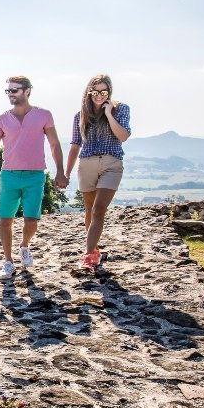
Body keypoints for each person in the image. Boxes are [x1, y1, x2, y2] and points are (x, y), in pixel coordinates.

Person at [0, 75, 68, 279]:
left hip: (35, 175)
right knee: (5, 220)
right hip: (9, 176)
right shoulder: (1, 120)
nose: (10, 94)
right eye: (8, 91)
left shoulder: (44, 115)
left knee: (31, 221)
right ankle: (8, 261)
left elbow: (54, 144)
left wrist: (60, 171)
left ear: (27, 91)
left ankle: (24, 246)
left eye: (15, 90)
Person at [65, 74, 131, 271]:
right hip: (87, 163)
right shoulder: (80, 116)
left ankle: (87, 254)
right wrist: (65, 173)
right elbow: (75, 145)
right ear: (89, 92)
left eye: (104, 91)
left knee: (98, 209)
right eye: (96, 91)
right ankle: (93, 250)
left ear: (109, 92)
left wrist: (109, 113)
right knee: (89, 210)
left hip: (112, 162)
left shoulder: (121, 109)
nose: (99, 95)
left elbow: (123, 136)